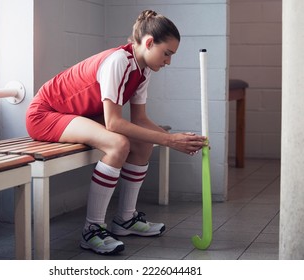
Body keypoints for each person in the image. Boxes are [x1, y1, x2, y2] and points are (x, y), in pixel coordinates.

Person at [26, 9, 207, 255]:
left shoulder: (142, 70)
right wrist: (169, 140)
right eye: (167, 54)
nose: (168, 61)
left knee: (143, 144)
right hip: (45, 114)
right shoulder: (119, 61)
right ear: (149, 42)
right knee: (118, 143)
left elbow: (141, 120)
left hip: (77, 116)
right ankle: (91, 230)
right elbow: (113, 124)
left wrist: (183, 139)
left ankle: (125, 219)